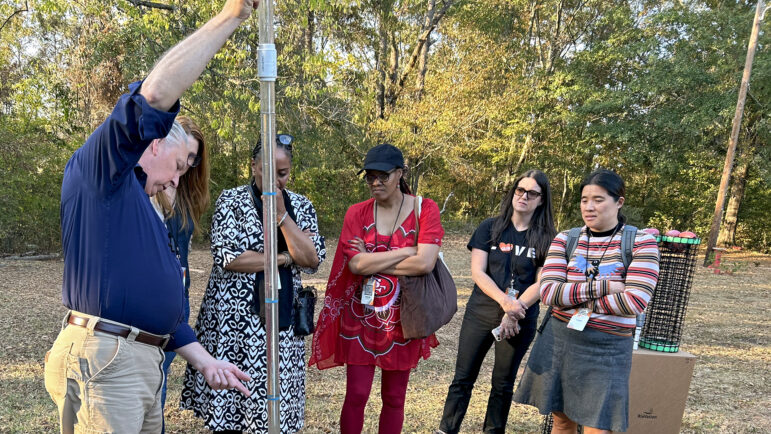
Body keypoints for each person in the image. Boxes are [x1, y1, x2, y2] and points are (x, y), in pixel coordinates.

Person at [43, 2, 258, 432]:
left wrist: (204, 360)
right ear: (155, 143)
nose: (176, 181)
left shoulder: (141, 203)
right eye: (179, 166)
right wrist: (232, 15)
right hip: (107, 363)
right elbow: (156, 96)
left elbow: (156, 306)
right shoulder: (101, 171)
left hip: (139, 362)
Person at [181, 135, 326, 433]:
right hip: (235, 325)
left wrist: (283, 216)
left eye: (282, 174)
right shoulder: (231, 200)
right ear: (254, 166)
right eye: (268, 172)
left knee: (277, 404)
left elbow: (312, 258)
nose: (275, 181)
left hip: (282, 327)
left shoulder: (300, 205)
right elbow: (230, 257)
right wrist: (287, 257)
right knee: (234, 403)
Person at [310, 143, 445, 434]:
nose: (375, 183)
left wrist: (373, 260)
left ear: (400, 174)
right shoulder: (357, 213)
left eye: (382, 176)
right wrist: (406, 250)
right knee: (356, 395)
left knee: (394, 398)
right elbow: (356, 266)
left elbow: (424, 264)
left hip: (403, 320)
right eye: (370, 176)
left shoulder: (425, 209)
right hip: (360, 318)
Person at [513, 169, 660, 434]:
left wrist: (572, 297)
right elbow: (548, 293)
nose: (589, 207)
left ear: (619, 202)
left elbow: (635, 301)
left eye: (599, 199)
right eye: (584, 200)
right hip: (561, 340)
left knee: (598, 426)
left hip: (608, 346)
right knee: (561, 420)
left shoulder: (640, 242)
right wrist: (605, 287)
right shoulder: (566, 239)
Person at [437, 170, 556, 434]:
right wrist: (506, 303)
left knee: (502, 384)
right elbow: (478, 272)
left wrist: (513, 313)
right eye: (520, 190)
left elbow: (542, 281)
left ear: (541, 200)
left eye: (532, 193)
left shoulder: (548, 238)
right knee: (463, 378)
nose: (524, 196)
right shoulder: (489, 227)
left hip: (519, 319)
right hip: (481, 313)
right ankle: (446, 429)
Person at [150, 116, 210, 414]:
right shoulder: (149, 186)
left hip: (179, 300)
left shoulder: (185, 193)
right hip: (152, 302)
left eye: (193, 158)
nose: (186, 165)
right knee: (149, 382)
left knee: (159, 380)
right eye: (183, 156)